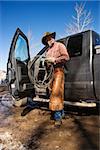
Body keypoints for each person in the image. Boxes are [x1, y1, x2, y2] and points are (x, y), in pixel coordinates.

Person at [42, 32, 70, 127]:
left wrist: (54, 60)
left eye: (50, 38)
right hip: (51, 74)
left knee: (56, 94)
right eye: (47, 39)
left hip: (59, 71)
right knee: (55, 93)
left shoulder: (60, 45)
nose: (49, 40)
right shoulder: (48, 51)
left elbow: (66, 57)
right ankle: (62, 114)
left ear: (53, 38)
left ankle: (57, 118)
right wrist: (45, 62)